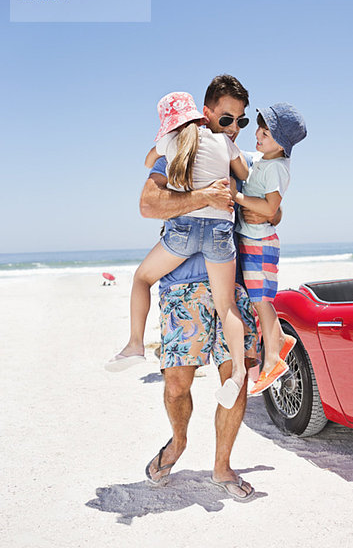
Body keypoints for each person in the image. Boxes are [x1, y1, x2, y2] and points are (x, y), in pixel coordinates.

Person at [139, 75, 280, 501]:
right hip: (182, 286)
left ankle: (222, 467)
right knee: (177, 385)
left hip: (232, 283)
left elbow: (272, 212)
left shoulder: (239, 156)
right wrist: (204, 197)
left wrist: (257, 206)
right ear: (205, 110)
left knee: (233, 378)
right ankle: (178, 442)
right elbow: (149, 205)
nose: (234, 126)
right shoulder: (181, 146)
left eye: (239, 120)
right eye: (226, 117)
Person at [106, 91, 249, 409]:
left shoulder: (170, 143)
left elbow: (146, 161)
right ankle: (238, 373)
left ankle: (134, 344)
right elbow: (242, 173)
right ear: (202, 115)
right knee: (226, 306)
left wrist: (165, 146)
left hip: (183, 232)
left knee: (142, 278)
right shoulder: (223, 142)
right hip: (219, 233)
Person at [232, 103, 307, 394]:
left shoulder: (275, 168)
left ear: (282, 143)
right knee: (259, 299)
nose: (258, 134)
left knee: (262, 301)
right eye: (259, 129)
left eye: (265, 132)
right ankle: (280, 344)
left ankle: (273, 360)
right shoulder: (264, 160)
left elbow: (271, 207)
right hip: (254, 240)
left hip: (260, 242)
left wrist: (237, 197)